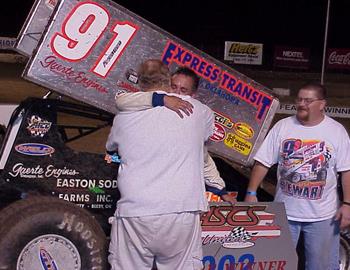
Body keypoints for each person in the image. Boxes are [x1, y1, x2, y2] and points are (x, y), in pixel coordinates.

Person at [107, 59, 214, 270]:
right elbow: (203, 146)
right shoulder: (201, 112)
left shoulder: (123, 116)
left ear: (139, 83)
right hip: (182, 211)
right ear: (168, 80)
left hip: (135, 212)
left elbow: (111, 149)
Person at [244, 82, 350, 270]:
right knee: (277, 265)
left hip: (323, 217)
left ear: (322, 104)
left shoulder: (336, 131)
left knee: (322, 267)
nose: (302, 104)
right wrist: (251, 192)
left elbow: (346, 171)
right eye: (299, 99)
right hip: (284, 213)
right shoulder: (283, 127)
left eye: (308, 100)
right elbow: (263, 162)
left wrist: (348, 204)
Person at [114, 66, 235, 203]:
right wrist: (162, 99)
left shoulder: (195, 119)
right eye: (173, 87)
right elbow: (121, 101)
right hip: (141, 192)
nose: (177, 93)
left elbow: (202, 156)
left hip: (172, 197)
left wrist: (221, 190)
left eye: (183, 90)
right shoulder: (152, 102)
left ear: (192, 95)